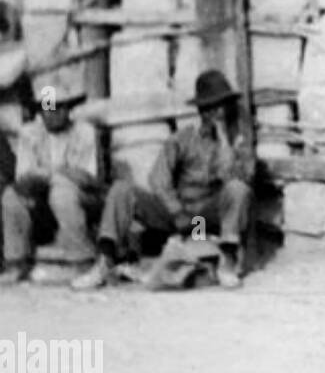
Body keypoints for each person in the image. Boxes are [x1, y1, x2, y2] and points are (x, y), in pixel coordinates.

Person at [73, 70, 252, 290]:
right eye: (213, 107)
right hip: (179, 215)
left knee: (238, 188)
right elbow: (158, 179)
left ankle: (228, 261)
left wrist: (224, 140)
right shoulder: (183, 139)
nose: (220, 112)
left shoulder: (238, 140)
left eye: (224, 106)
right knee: (121, 190)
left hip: (207, 219)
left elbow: (241, 179)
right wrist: (177, 211)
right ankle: (104, 262)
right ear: (201, 111)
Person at [0, 82, 101, 285]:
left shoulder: (85, 132)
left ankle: (80, 260)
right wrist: (47, 177)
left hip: (84, 198)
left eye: (58, 108)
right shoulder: (30, 133)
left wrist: (55, 176)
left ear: (68, 110)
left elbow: (89, 178)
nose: (52, 114)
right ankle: (17, 262)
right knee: (12, 196)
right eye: (47, 109)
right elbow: (24, 176)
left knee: (62, 191)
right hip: (43, 197)